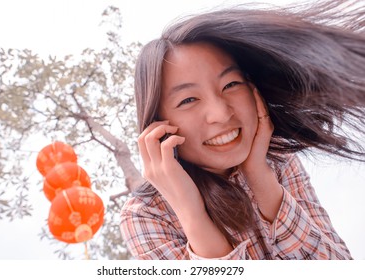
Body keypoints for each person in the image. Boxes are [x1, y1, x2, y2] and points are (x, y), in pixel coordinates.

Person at [120, 0, 365, 260]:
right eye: (188, 100)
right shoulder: (145, 214)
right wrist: (191, 212)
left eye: (231, 84)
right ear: (158, 126)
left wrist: (260, 177)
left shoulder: (279, 162)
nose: (221, 113)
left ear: (254, 91)